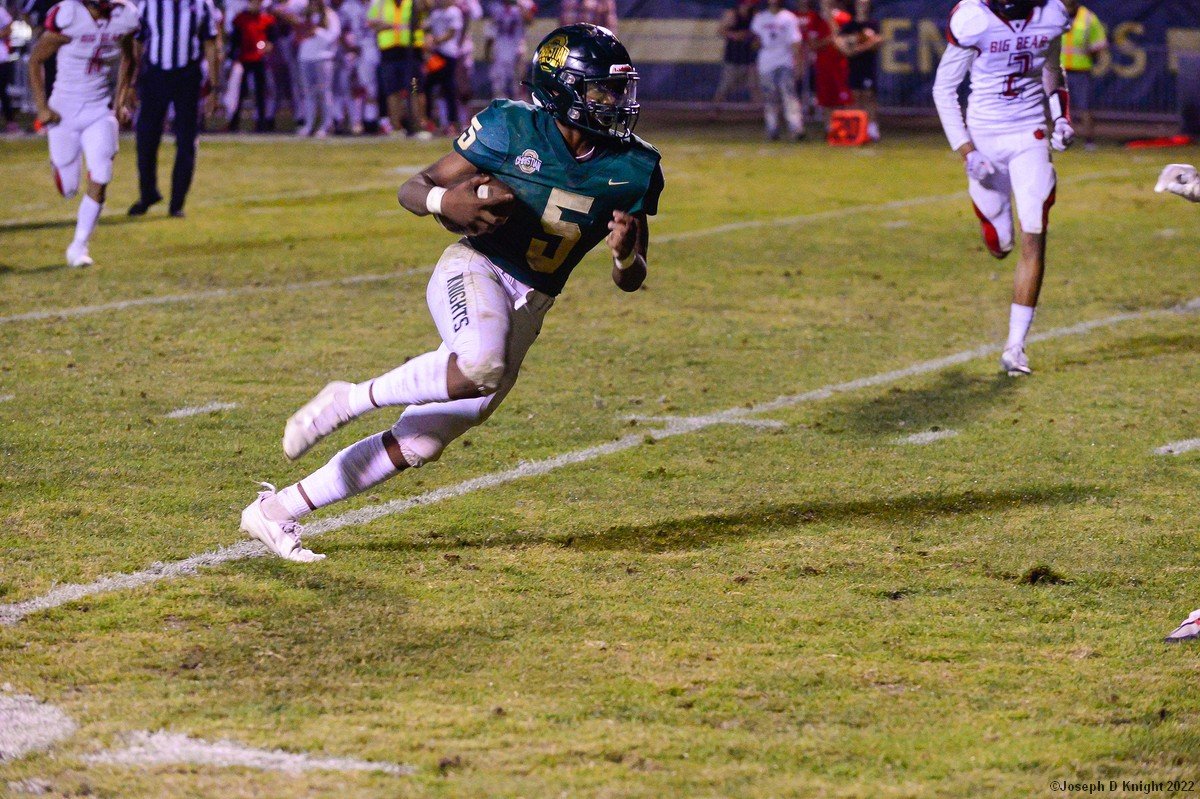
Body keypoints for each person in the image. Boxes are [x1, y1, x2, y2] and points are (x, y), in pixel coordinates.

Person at [240, 24, 663, 562]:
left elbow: (632, 277)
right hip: (476, 268)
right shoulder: (511, 126)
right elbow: (413, 188)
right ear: (562, 88)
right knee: (481, 362)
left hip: (531, 306)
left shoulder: (635, 166)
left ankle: (275, 512)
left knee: (420, 442)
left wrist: (624, 254)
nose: (615, 102)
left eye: (619, 89)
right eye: (601, 89)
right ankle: (350, 399)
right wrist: (446, 203)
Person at [932, 0, 1074, 377]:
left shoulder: (1052, 14)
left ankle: (1015, 346)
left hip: (1029, 132)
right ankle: (993, 226)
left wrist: (1061, 119)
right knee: (1002, 245)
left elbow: (1052, 70)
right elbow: (944, 89)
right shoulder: (973, 18)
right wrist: (967, 151)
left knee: (1035, 232)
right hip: (985, 137)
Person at [28, 0, 139, 267]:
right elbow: (36, 60)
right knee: (68, 189)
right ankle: (62, 166)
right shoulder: (69, 15)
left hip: (98, 108)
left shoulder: (125, 16)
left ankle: (79, 246)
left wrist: (121, 100)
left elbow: (130, 57)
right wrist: (42, 107)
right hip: (63, 111)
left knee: (102, 172)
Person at [129, 0, 221, 218]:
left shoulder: (202, 4)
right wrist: (132, 82)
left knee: (186, 140)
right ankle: (148, 193)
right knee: (145, 137)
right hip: (155, 74)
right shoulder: (149, 3)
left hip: (187, 76)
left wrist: (214, 87)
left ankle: (177, 202)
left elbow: (210, 43)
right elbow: (137, 41)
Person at [367, 0, 428, 136]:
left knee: (415, 89)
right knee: (392, 91)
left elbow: (426, 9)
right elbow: (371, 23)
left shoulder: (413, 3)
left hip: (412, 51)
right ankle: (396, 127)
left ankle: (419, 125)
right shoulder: (381, 3)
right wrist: (388, 25)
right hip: (390, 53)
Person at [750, 0, 802, 141]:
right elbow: (755, 40)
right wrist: (755, 42)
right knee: (770, 97)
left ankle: (796, 128)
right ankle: (772, 128)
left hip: (785, 59)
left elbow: (795, 41)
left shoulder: (789, 17)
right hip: (767, 61)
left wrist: (797, 61)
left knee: (789, 95)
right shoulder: (760, 17)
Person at [289, 0, 340, 136]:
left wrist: (316, 31)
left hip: (323, 58)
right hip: (305, 57)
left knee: (324, 92)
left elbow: (333, 36)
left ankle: (326, 124)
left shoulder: (329, 15)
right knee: (308, 93)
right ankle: (309, 124)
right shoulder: (305, 14)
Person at [1060, 0, 1105, 150]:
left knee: (1085, 107)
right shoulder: (1054, 13)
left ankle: (1089, 141)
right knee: (1058, 108)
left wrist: (1092, 56)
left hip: (1080, 70)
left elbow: (1098, 44)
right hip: (1059, 70)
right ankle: (1061, 139)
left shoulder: (1088, 17)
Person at [228, 0, 278, 131]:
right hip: (243, 59)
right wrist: (233, 58)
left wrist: (267, 47)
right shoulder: (240, 19)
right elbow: (235, 41)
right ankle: (234, 122)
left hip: (260, 59)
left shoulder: (267, 19)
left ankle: (261, 122)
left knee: (260, 92)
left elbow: (272, 39)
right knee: (240, 92)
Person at [836, 0, 880, 141]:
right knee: (855, 96)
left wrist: (857, 47)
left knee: (868, 95)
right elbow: (842, 44)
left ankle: (872, 128)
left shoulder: (873, 24)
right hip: (854, 66)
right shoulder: (850, 25)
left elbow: (877, 42)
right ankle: (855, 128)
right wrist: (861, 43)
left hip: (868, 65)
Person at [804, 0, 850, 122]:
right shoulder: (815, 19)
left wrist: (830, 20)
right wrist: (830, 39)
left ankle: (843, 126)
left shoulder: (843, 17)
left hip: (840, 65)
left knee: (843, 99)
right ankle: (829, 127)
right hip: (823, 66)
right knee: (826, 100)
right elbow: (813, 45)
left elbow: (845, 42)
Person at [422, 0, 461, 132]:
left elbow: (452, 32)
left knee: (448, 88)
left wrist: (435, 41)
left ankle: (452, 122)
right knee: (428, 85)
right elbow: (427, 28)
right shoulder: (436, 13)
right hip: (436, 54)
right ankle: (429, 119)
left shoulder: (454, 12)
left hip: (449, 53)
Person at [711, 0, 759, 108]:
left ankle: (761, 112)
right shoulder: (732, 14)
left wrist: (751, 36)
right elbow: (720, 31)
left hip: (750, 57)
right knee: (725, 87)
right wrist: (734, 35)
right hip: (733, 56)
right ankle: (714, 110)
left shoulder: (755, 14)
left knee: (755, 86)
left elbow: (758, 33)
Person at [483, 0, 532, 100]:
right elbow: (491, 29)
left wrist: (521, 7)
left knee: (518, 83)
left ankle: (518, 107)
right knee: (498, 85)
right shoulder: (495, 6)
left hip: (516, 47)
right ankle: (500, 108)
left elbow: (529, 20)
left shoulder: (522, 5)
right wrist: (488, 50)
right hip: (500, 49)